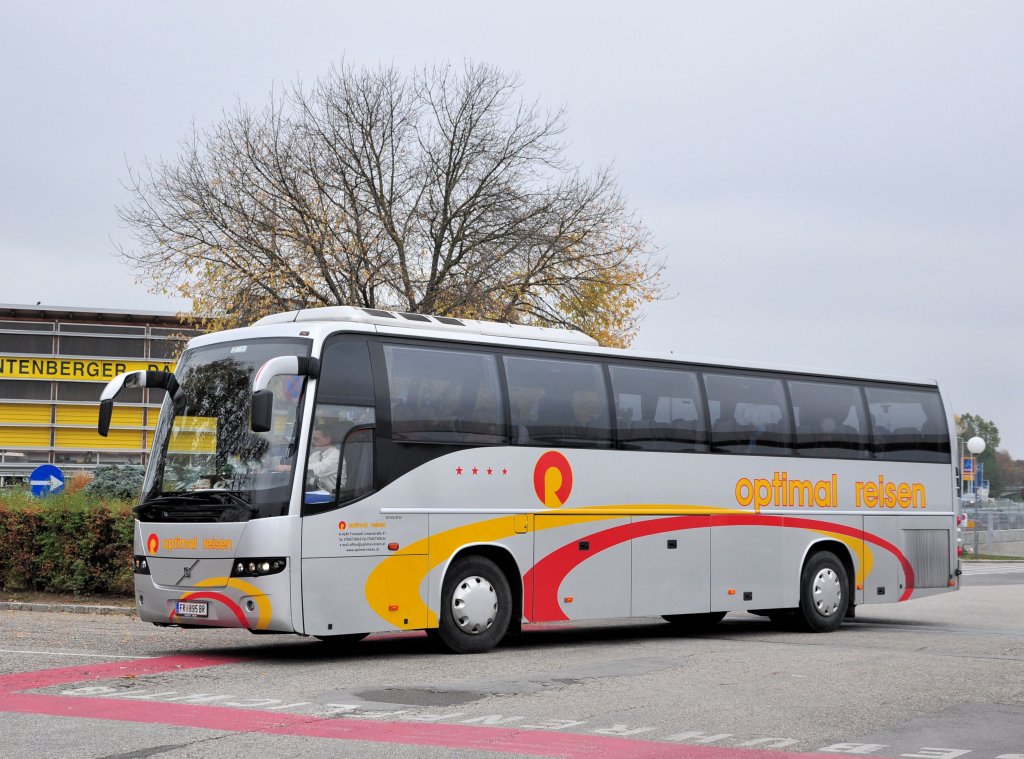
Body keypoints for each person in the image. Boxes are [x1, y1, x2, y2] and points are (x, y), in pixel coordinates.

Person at [275, 424, 343, 492]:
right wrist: (288, 471)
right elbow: (304, 469)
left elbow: (318, 470)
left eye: (316, 439)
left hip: (333, 495)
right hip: (317, 490)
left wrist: (289, 467)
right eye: (313, 438)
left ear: (327, 440)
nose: (313, 441)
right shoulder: (316, 454)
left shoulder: (336, 455)